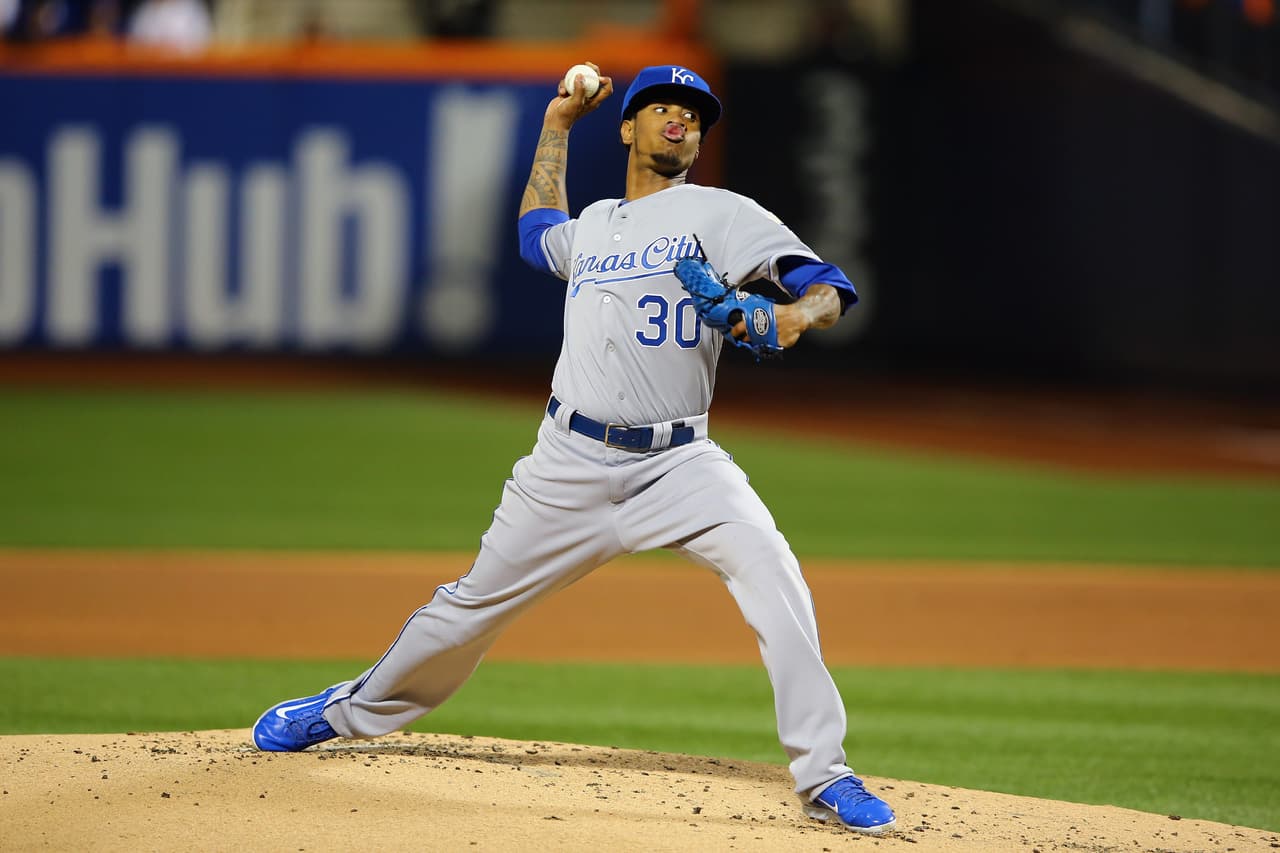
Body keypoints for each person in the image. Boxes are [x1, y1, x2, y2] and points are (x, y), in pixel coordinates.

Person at [252, 61, 897, 836]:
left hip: (679, 464)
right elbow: (533, 235)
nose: (678, 121)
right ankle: (348, 710)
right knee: (466, 610)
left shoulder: (725, 213)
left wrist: (791, 319)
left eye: (692, 114)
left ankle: (825, 774)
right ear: (626, 127)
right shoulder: (594, 224)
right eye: (661, 107)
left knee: (776, 575)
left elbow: (827, 284)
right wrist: (556, 125)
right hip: (567, 461)